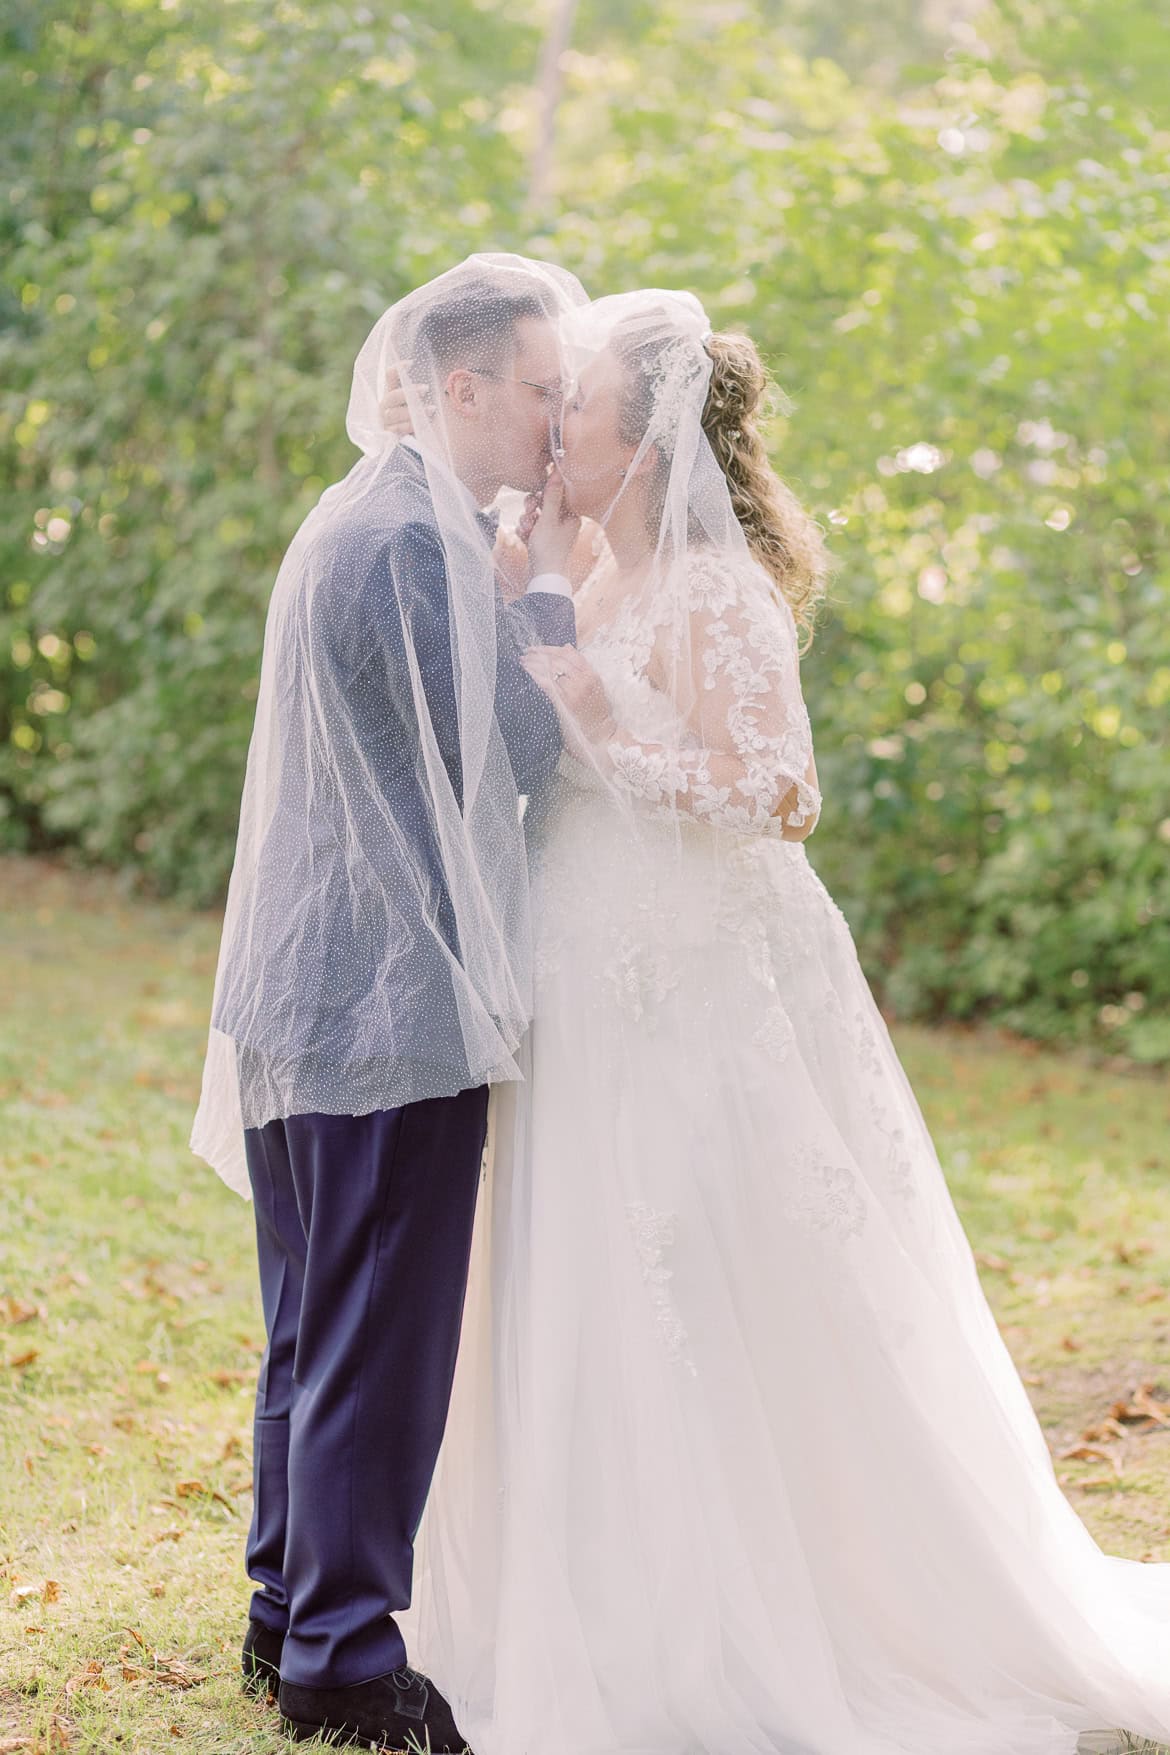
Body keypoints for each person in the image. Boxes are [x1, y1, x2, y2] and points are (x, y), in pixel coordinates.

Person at [394, 290, 1170, 1755]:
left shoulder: (712, 586)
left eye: (585, 408)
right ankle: (581, 1587)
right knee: (579, 1265)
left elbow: (780, 795)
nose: (559, 425)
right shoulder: (588, 573)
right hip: (579, 974)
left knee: (693, 1260)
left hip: (688, 985)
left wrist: (598, 718)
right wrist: (533, 614)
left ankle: (739, 1617)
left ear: (648, 439)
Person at [189, 252, 588, 1752]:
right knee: (377, 1340)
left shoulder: (362, 514)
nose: (554, 423)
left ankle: (286, 1608)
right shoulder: (413, 540)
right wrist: (545, 594)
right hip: (384, 995)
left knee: (312, 1327)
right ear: (458, 385)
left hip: (309, 982)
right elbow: (511, 754)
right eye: (539, 391)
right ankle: (347, 1662)